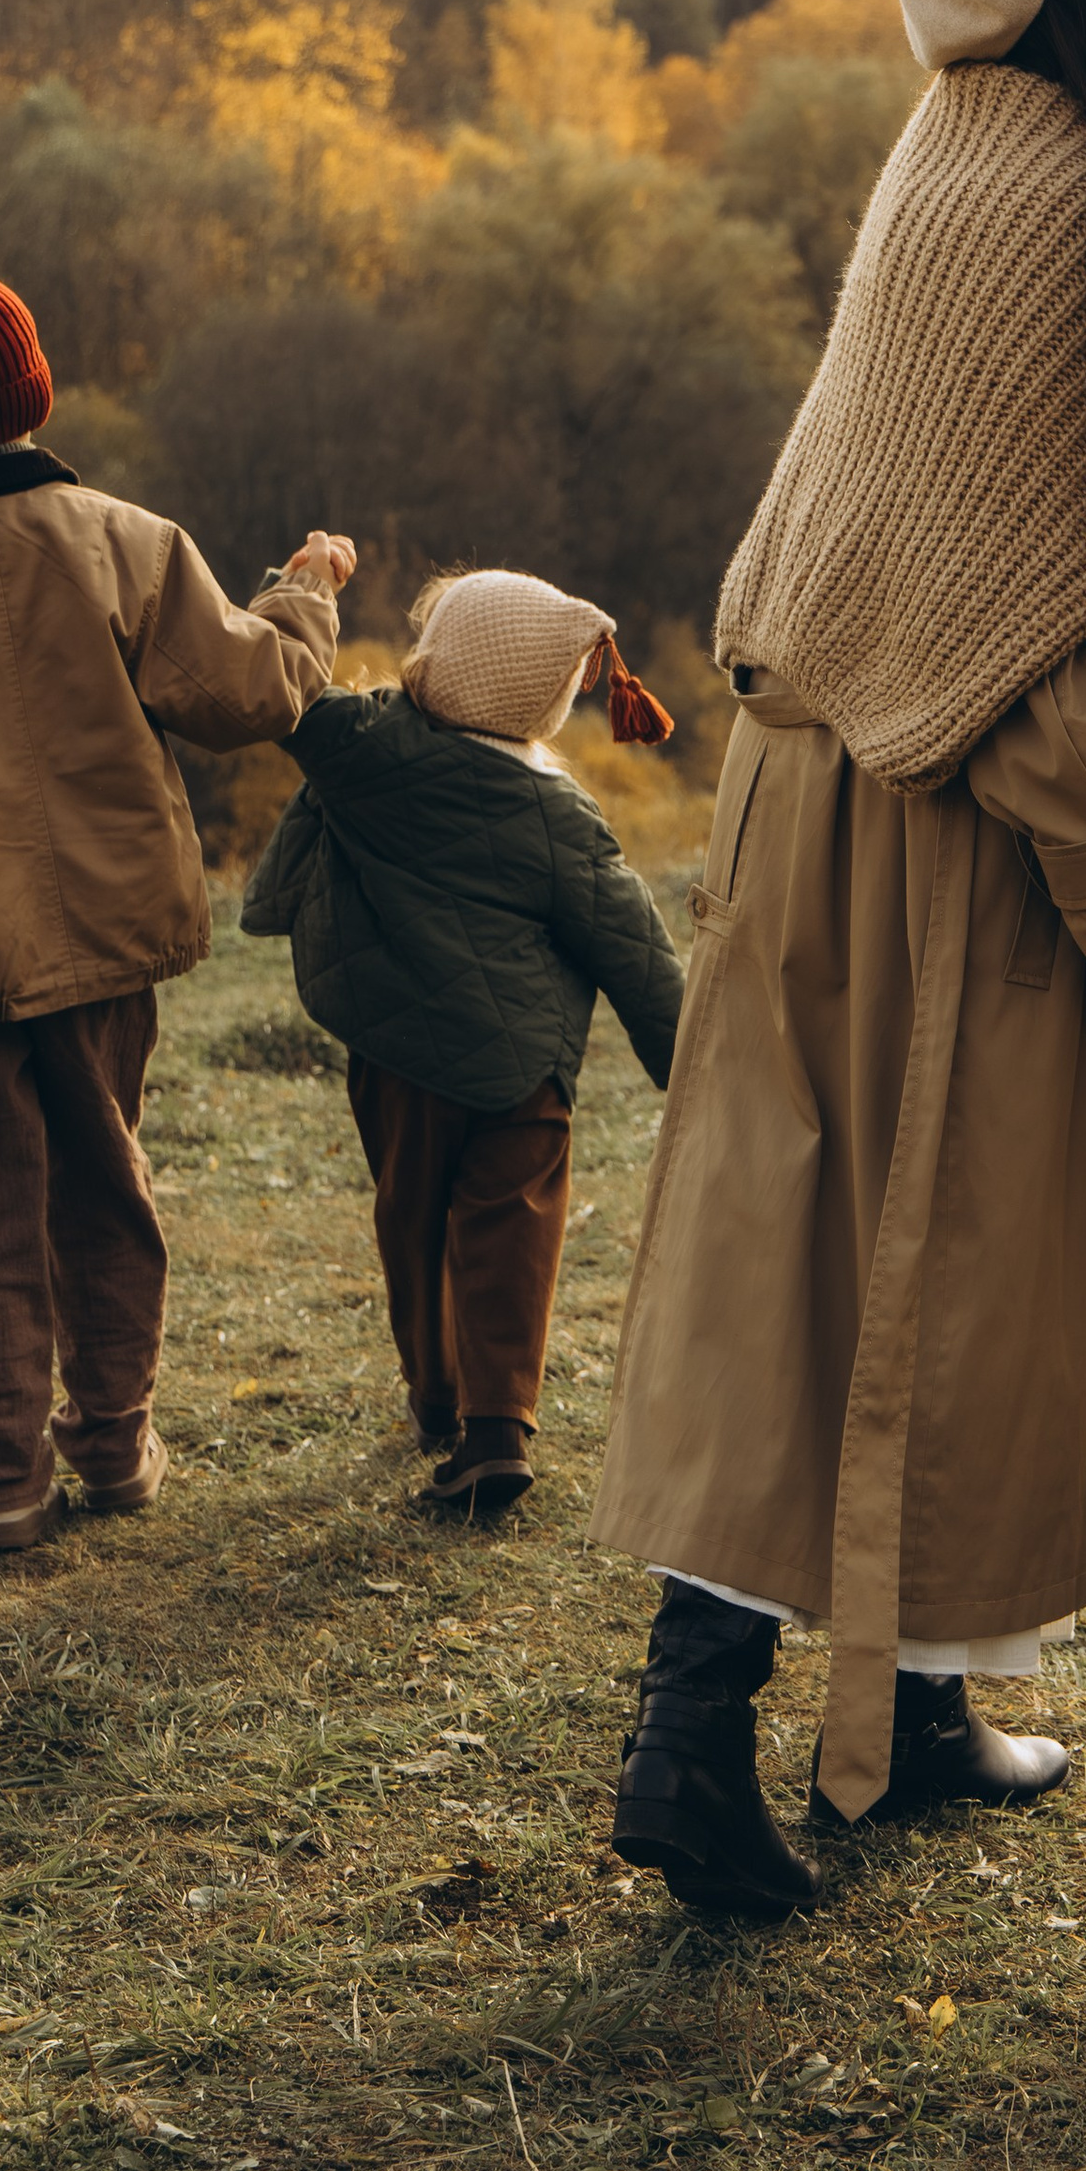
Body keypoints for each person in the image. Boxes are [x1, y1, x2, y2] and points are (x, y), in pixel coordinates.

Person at [591, 0, 1086, 1921]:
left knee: (842, 1252)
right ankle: (695, 1735)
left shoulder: (950, 148)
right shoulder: (1042, 183)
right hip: (937, 815)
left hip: (822, 794)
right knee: (886, 1270)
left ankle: (919, 1704)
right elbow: (1021, 614)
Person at [0, 240, 352, 1551]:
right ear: (34, 396)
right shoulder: (120, 544)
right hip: (105, 942)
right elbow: (247, 690)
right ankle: (114, 1439)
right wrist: (306, 601)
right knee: (103, 1183)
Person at [240, 566, 688, 1516]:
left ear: (432, 660)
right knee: (511, 1230)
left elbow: (280, 686)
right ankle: (496, 1429)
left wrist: (303, 586)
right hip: (523, 1070)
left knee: (412, 1222)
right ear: (549, 700)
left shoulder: (360, 747)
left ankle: (436, 1398)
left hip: (399, 1064)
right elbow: (634, 948)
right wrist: (695, 1070)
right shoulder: (561, 814)